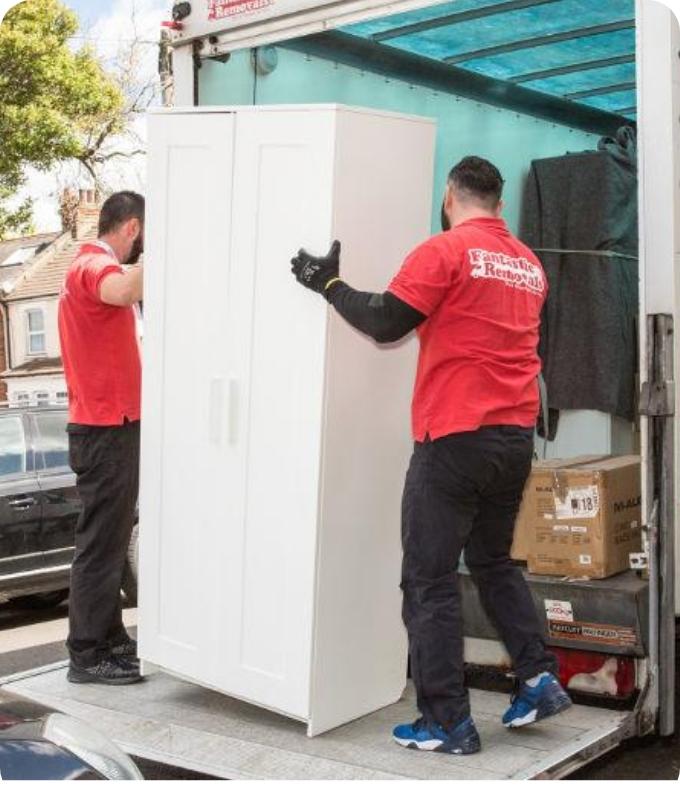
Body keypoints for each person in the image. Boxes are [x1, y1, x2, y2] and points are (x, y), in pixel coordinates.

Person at [290, 156, 571, 755]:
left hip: (454, 438)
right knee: (493, 562)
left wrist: (328, 284)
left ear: (450, 196)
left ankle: (446, 721)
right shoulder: (527, 265)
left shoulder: (445, 250)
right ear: (499, 204)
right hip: (514, 437)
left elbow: (387, 321)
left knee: (428, 579)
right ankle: (539, 677)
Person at [58, 191, 145, 685]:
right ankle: (87, 655)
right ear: (131, 228)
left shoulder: (90, 266)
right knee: (99, 545)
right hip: (104, 429)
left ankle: (109, 641)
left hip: (114, 426)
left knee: (110, 543)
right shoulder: (90, 264)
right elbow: (120, 291)